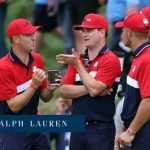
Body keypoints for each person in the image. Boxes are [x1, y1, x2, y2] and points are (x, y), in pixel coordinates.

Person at [56, 13, 121, 150]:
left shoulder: (110, 59)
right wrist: (92, 88)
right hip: (77, 126)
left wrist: (78, 66)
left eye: (89, 30)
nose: (84, 34)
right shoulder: (77, 59)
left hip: (100, 128)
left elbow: (95, 90)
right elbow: (65, 91)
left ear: (102, 32)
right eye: (83, 31)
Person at [0, 18, 61, 150]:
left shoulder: (37, 58)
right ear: (16, 39)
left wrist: (50, 89)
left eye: (34, 33)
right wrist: (33, 85)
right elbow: (13, 106)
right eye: (28, 35)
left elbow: (45, 98)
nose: (34, 37)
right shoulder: (3, 67)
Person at [115, 12, 150, 149]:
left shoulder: (146, 59)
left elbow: (148, 101)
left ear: (129, 32)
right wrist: (125, 124)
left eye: (123, 29)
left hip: (143, 131)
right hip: (136, 129)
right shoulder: (139, 56)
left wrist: (131, 131)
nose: (121, 33)